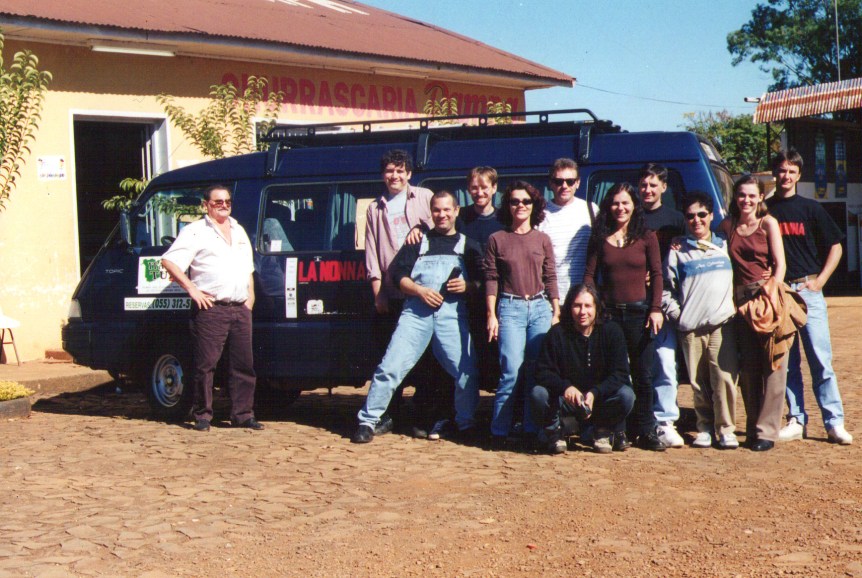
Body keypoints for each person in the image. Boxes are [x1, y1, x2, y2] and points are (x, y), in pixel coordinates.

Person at [352, 191, 483, 443]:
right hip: (416, 313)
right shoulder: (417, 242)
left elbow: (481, 281)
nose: (442, 215)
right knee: (390, 367)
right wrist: (419, 291)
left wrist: (467, 287)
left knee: (466, 371)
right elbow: (398, 276)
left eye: (447, 210)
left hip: (451, 316)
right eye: (436, 210)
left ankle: (466, 424)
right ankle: (368, 421)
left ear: (456, 211)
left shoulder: (469, 245)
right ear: (430, 213)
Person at [767, 149, 852, 445]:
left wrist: (819, 281)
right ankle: (796, 419)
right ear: (774, 173)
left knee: (820, 359)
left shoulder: (811, 208)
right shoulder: (766, 211)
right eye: (781, 170)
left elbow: (836, 246)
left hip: (807, 292)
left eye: (791, 171)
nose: (785, 176)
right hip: (781, 294)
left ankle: (834, 422)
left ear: (798, 175)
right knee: (787, 361)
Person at [161, 184, 262, 432]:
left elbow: (247, 268)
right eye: (218, 202)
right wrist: (192, 289)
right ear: (205, 205)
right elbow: (169, 261)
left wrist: (250, 298)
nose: (224, 205)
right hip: (212, 309)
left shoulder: (238, 230)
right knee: (206, 365)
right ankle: (203, 416)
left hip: (240, 308)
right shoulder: (195, 231)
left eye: (227, 201)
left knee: (243, 365)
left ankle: (242, 414)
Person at [583, 182, 665, 451]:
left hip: (639, 313)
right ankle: (617, 429)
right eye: (616, 203)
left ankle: (647, 429)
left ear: (634, 206)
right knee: (613, 374)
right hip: (609, 315)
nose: (620, 208)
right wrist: (592, 309)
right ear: (609, 205)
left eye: (626, 203)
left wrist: (655, 309)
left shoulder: (647, 237)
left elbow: (658, 274)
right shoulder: (599, 237)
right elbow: (589, 276)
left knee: (643, 374)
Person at [364, 149, 436, 437]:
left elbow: (443, 225)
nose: (394, 176)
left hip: (421, 289)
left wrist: (422, 226)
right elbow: (371, 251)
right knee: (389, 357)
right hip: (392, 292)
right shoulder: (375, 208)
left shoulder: (424, 197)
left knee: (424, 360)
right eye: (389, 171)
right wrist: (377, 291)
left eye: (399, 170)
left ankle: (420, 418)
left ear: (409, 173)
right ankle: (387, 416)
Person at [485, 181, 559, 448]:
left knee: (534, 371)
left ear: (534, 205)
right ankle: (499, 431)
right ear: (508, 205)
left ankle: (530, 429)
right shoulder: (497, 239)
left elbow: (550, 276)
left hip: (540, 307)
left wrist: (556, 310)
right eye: (515, 201)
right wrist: (491, 315)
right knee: (510, 371)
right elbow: (491, 278)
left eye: (526, 201)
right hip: (510, 307)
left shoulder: (542, 239)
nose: (520, 206)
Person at [663, 192, 739, 449]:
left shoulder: (725, 245)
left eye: (702, 215)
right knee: (698, 382)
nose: (696, 220)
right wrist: (678, 315)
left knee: (724, 378)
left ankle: (726, 429)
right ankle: (704, 427)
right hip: (690, 328)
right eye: (690, 216)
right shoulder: (678, 250)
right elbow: (666, 288)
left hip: (722, 324)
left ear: (711, 216)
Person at [720, 175, 787, 452]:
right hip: (739, 304)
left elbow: (780, 265)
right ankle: (752, 427)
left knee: (773, 364)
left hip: (768, 297)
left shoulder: (767, 223)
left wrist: (770, 292)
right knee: (748, 368)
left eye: (751, 195)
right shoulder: (728, 226)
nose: (746, 200)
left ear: (761, 197)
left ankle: (767, 431)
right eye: (741, 195)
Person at [532, 284, 635, 454]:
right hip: (566, 400)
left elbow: (620, 373)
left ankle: (602, 431)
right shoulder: (557, 333)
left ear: (596, 307)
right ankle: (554, 432)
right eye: (577, 305)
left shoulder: (612, 331)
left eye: (588, 306)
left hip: (599, 400)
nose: (582, 312)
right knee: (539, 393)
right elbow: (543, 371)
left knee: (626, 395)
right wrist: (565, 387)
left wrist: (595, 392)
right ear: (569, 307)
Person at [638, 163, 686, 449]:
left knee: (666, 362)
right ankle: (640, 420)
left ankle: (666, 421)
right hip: (633, 298)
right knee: (639, 364)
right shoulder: (631, 215)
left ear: (664, 188)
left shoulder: (676, 219)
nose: (648, 190)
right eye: (643, 185)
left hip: (663, 299)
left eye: (653, 185)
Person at [460, 167, 505, 393]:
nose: (479, 192)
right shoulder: (460, 218)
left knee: (497, 358)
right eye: (474, 188)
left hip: (496, 297)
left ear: (494, 188)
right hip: (465, 299)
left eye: (484, 187)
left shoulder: (504, 219)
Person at [537, 158, 595, 299]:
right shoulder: (539, 214)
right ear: (551, 183)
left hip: (583, 298)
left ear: (578, 183)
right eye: (559, 181)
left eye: (570, 181)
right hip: (549, 297)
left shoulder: (591, 210)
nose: (564, 186)